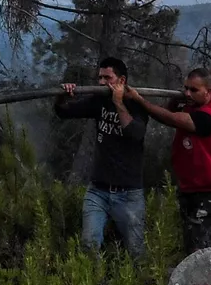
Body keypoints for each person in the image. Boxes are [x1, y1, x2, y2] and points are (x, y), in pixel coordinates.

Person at [126, 68, 211, 254]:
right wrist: (176, 100)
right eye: (186, 89)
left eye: (194, 90)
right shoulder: (191, 105)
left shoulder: (208, 117)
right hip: (190, 188)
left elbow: (169, 118)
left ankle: (204, 280)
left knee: (198, 246)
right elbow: (170, 109)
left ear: (208, 91)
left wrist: (139, 101)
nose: (188, 93)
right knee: (191, 240)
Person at [55, 56, 148, 256]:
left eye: (107, 78)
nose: (101, 83)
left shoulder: (137, 104)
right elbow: (64, 112)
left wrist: (118, 104)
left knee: (136, 252)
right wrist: (63, 96)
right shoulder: (99, 101)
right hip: (98, 191)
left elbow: (135, 133)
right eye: (100, 78)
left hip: (129, 193)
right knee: (89, 245)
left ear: (121, 81)